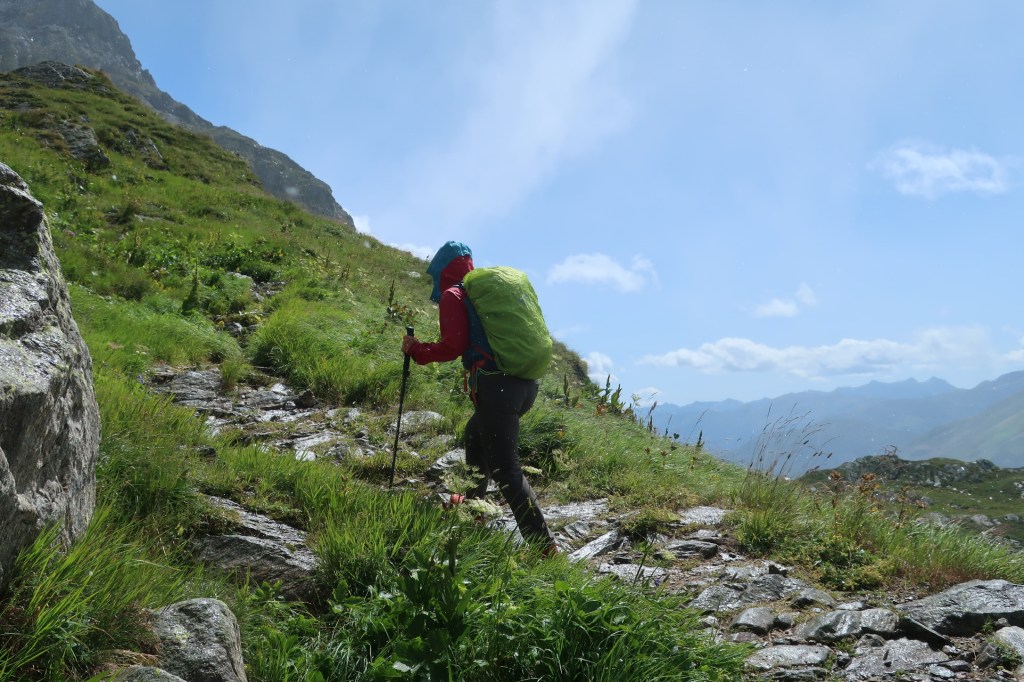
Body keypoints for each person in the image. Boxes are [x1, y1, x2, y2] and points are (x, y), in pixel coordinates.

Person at [402, 241, 557, 556]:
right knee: (474, 435)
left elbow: (452, 347)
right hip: (525, 386)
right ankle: (474, 508)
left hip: (498, 389)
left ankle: (545, 548)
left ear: (442, 270)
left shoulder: (454, 295)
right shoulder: (481, 294)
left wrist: (416, 350)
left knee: (506, 470)